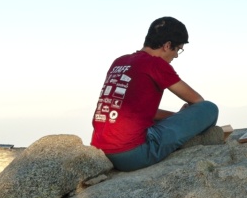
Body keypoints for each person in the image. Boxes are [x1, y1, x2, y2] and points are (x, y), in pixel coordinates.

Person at [91, 16, 219, 171]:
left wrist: (176, 116)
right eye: (178, 49)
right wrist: (185, 117)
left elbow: (137, 113)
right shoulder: (156, 65)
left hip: (102, 150)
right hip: (133, 154)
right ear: (167, 45)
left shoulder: (120, 62)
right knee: (210, 108)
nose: (177, 55)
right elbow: (198, 102)